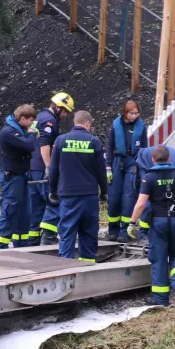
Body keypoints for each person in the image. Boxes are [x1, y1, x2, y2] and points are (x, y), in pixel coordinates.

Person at [129, 145, 175, 305]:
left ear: (153, 160)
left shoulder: (148, 177)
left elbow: (141, 204)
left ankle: (160, 299)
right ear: (169, 159)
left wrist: (132, 223)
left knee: (159, 259)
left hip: (158, 223)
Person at [48, 109, 108, 263]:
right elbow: (101, 171)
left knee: (67, 232)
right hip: (89, 194)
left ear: (75, 123)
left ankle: (65, 268)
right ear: (87, 124)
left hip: (68, 195)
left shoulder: (61, 141)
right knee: (88, 233)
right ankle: (87, 267)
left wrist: (52, 190)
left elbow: (53, 169)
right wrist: (104, 191)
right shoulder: (94, 142)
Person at [0, 104, 40, 248]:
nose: (32, 124)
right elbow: (29, 146)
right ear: (22, 119)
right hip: (12, 178)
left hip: (21, 176)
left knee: (24, 214)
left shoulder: (20, 130)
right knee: (10, 212)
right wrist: (31, 133)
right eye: (30, 120)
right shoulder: (9, 133)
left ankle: (21, 244)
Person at [30, 92, 74, 245]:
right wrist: (49, 167)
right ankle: (48, 238)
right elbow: (44, 144)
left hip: (32, 167)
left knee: (36, 205)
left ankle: (33, 239)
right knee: (53, 200)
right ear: (57, 107)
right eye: (65, 111)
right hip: (42, 167)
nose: (65, 115)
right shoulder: (50, 121)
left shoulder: (40, 117)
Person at [105, 99, 148, 241]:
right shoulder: (116, 125)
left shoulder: (141, 127)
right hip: (118, 161)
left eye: (136, 113)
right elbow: (109, 146)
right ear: (125, 112)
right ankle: (113, 230)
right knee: (114, 196)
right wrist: (108, 166)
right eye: (132, 113)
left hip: (132, 162)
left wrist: (141, 167)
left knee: (129, 197)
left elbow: (144, 149)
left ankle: (124, 231)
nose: (135, 116)